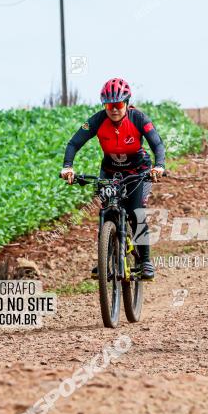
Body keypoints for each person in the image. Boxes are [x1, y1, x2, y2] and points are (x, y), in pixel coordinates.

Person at [59, 77, 165, 279]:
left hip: (138, 170)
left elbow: (157, 144)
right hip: (110, 170)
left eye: (117, 105)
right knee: (107, 213)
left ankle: (145, 262)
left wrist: (159, 166)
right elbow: (74, 143)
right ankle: (105, 260)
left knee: (136, 212)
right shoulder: (97, 120)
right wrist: (68, 167)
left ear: (126, 103)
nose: (113, 109)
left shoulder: (138, 118)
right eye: (109, 105)